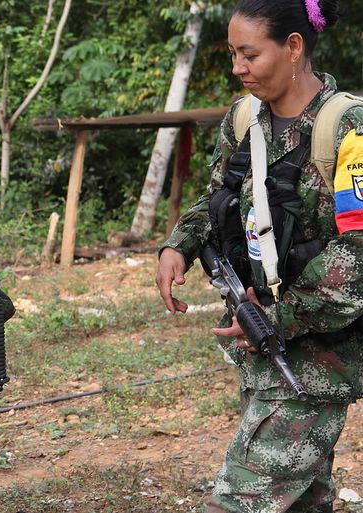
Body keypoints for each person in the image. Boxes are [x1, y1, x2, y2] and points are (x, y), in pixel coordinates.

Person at [156, 1, 363, 511]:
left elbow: (357, 257)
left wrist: (275, 318)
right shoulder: (246, 116)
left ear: (293, 47)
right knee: (301, 500)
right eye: (232, 53)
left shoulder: (347, 126)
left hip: (319, 358)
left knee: (241, 498)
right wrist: (178, 244)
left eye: (249, 54)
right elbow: (219, 195)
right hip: (260, 350)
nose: (237, 68)